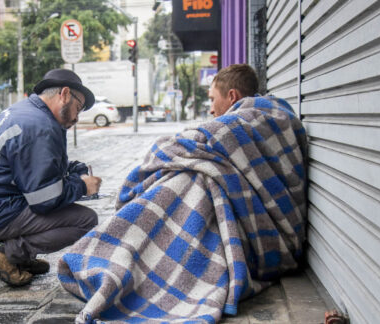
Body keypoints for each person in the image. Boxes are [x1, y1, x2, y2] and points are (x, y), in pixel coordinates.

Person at [58, 64, 307, 323]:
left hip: (261, 234)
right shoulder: (279, 118)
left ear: (232, 96)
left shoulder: (241, 122)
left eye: (212, 99)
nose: (211, 108)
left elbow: (178, 145)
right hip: (278, 234)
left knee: (196, 179)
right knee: (203, 173)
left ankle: (136, 258)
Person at [0, 69, 102, 287]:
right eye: (78, 108)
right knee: (85, 220)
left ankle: (19, 258)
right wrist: (81, 186)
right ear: (65, 94)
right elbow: (44, 200)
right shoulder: (39, 126)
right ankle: (7, 254)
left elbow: (37, 167)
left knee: (66, 208)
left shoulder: (30, 114)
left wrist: (74, 169)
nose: (78, 117)